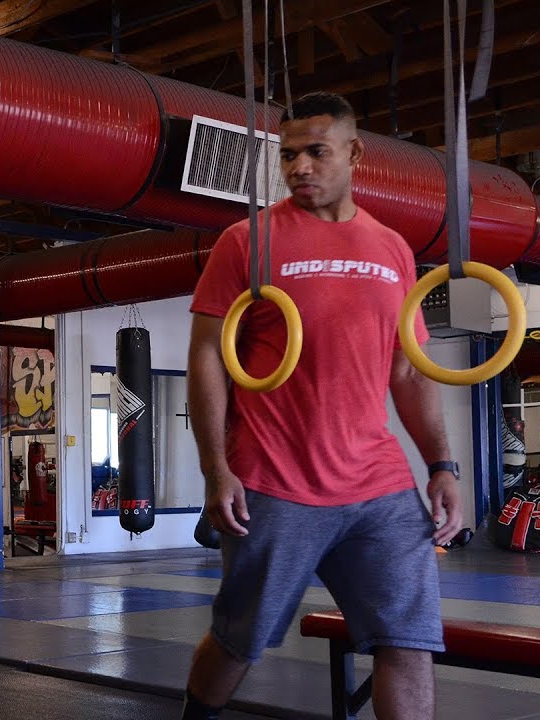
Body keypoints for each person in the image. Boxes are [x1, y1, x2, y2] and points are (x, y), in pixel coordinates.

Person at [182, 91, 463, 720]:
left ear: (355, 152)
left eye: (316, 152)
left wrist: (443, 466)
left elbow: (407, 372)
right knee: (239, 641)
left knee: (409, 643)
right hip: (277, 481)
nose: (300, 167)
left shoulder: (392, 249)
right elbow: (207, 357)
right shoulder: (246, 241)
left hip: (379, 485)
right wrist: (216, 470)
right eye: (288, 156)